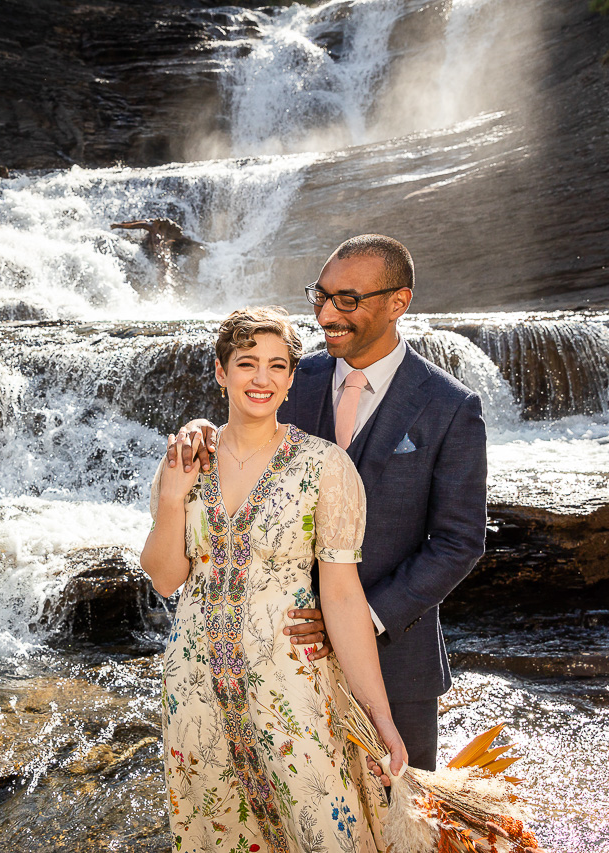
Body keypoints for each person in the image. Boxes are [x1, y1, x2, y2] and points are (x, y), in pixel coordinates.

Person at [168, 235, 488, 774]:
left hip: (394, 662)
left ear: (398, 303)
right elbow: (243, 437)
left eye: (347, 300)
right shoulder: (293, 376)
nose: (325, 314)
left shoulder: (451, 406)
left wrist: (362, 619)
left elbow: (459, 543)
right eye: (320, 296)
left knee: (396, 822)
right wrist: (198, 428)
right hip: (274, 657)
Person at [140, 306, 407, 853]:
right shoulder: (187, 459)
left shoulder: (323, 466)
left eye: (276, 366)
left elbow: (341, 594)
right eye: (246, 364)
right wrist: (173, 496)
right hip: (196, 686)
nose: (260, 379)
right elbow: (167, 579)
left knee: (324, 828)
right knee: (219, 832)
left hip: (291, 686)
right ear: (221, 373)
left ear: (290, 378)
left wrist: (378, 713)